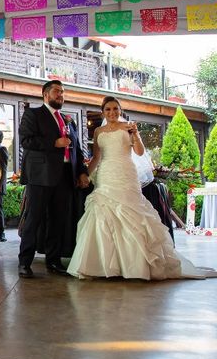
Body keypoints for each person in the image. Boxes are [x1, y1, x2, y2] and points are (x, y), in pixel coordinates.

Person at [68, 97, 213, 280]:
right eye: (108, 110)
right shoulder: (98, 131)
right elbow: (96, 157)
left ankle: (135, 265)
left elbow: (139, 152)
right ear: (103, 112)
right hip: (105, 175)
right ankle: (103, 265)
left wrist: (135, 134)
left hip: (125, 173)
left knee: (132, 214)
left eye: (115, 109)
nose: (112, 113)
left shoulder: (128, 127)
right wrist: (85, 175)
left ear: (120, 110)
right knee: (102, 213)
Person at [18, 80, 89, 278]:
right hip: (40, 176)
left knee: (59, 220)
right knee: (34, 219)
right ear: (45, 94)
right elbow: (26, 140)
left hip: (65, 177)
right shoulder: (33, 114)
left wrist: (82, 171)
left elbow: (78, 150)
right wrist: (54, 142)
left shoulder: (69, 119)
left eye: (63, 92)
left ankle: (54, 260)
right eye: (57, 91)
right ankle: (25, 262)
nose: (61, 95)